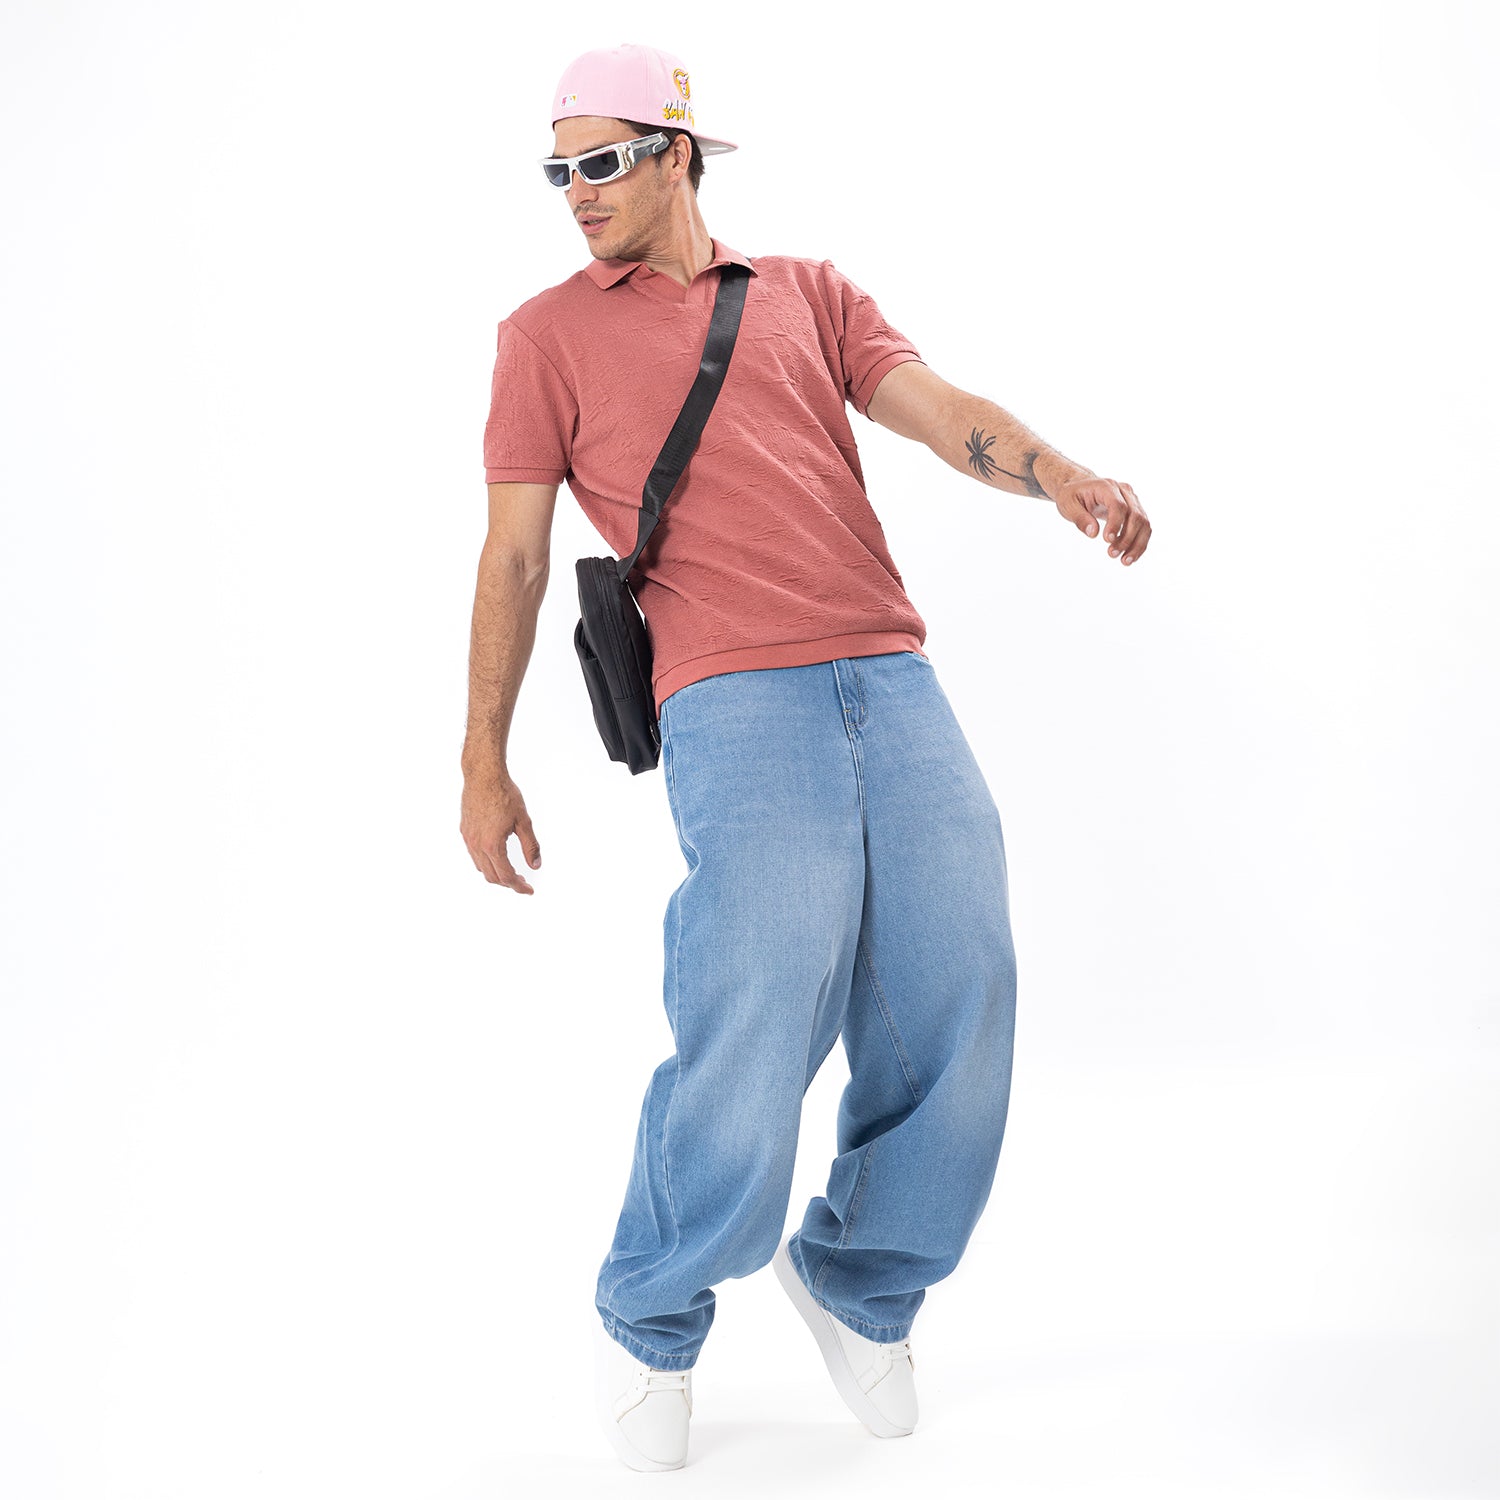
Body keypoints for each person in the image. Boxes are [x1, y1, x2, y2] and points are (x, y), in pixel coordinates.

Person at [461, 41, 1150, 1474]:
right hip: (728, 692)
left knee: (963, 975)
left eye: (604, 161)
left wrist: (1063, 477)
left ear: (679, 153)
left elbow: (943, 414)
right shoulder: (543, 338)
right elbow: (515, 556)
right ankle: (653, 1312)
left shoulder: (808, 293)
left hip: (891, 673)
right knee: (760, 997)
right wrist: (483, 758)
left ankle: (863, 1278)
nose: (577, 191)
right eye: (558, 169)